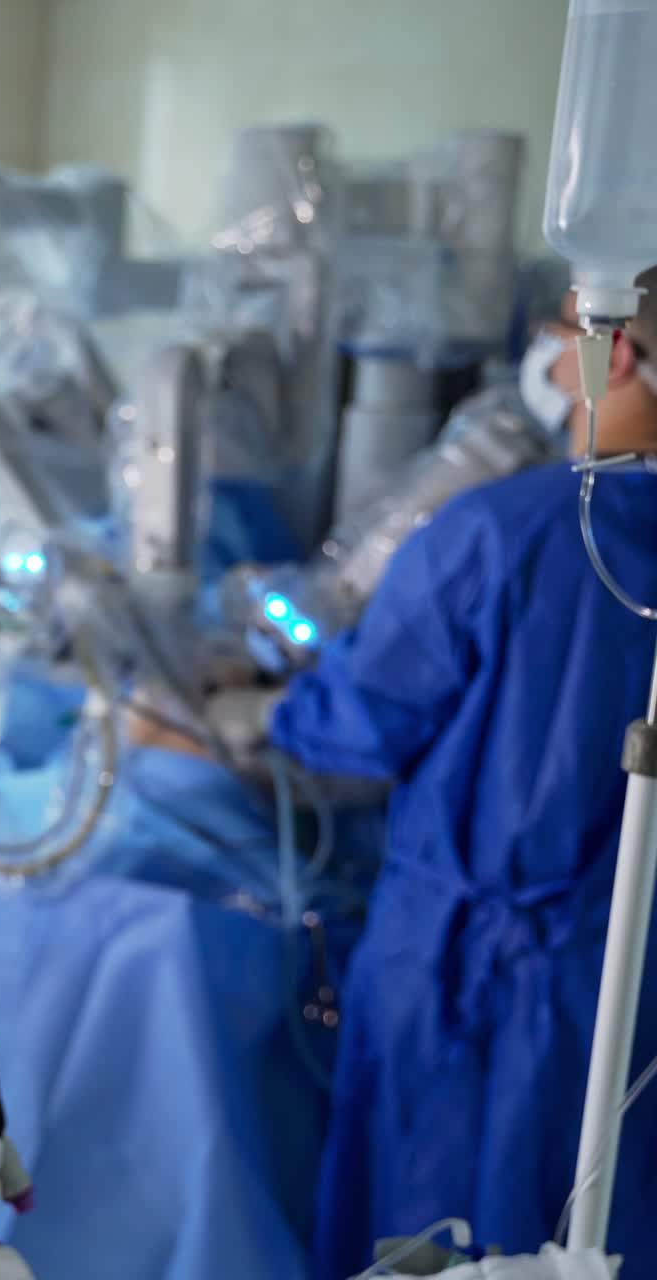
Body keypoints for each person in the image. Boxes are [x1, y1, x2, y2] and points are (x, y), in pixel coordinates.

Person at [268, 267, 657, 1276]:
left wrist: (269, 695)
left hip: (464, 987)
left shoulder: (502, 532)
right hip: (629, 993)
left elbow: (356, 724)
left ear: (605, 346)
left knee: (431, 1234)